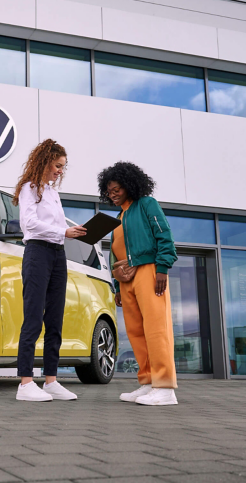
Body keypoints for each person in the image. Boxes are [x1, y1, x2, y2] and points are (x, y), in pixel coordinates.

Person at [98, 161, 179, 406]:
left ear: (130, 185)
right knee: (135, 332)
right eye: (109, 191)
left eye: (117, 189)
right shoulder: (119, 216)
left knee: (156, 329)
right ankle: (147, 383)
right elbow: (115, 253)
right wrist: (116, 283)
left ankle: (165, 388)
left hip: (148, 271)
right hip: (126, 280)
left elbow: (164, 235)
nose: (113, 195)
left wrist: (162, 268)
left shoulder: (146, 204)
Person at [12, 139, 86, 402]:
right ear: (44, 161)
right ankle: (25, 383)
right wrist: (63, 231)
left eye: (63, 167)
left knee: (55, 319)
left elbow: (58, 227)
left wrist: (73, 233)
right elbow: (29, 224)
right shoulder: (28, 189)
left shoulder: (53, 193)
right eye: (57, 165)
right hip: (37, 253)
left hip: (58, 255)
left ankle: (51, 380)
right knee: (33, 316)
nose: (60, 171)